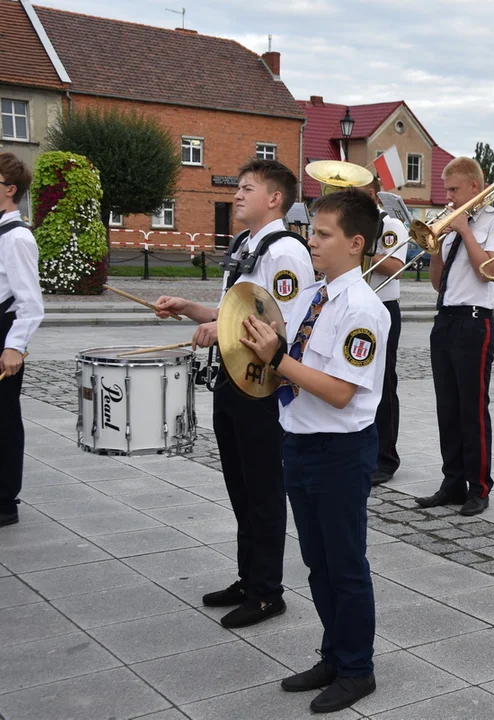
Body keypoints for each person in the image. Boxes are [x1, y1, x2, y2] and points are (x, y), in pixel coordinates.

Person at [240, 188, 387, 715]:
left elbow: (340, 390)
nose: (311, 241)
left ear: (355, 243)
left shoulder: (363, 308)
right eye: (311, 231)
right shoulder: (313, 296)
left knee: (345, 564)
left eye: (323, 234)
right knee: (317, 562)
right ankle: (334, 652)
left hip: (340, 451)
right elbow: (281, 342)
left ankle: (358, 669)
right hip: (300, 441)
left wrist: (277, 357)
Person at [155, 159, 314, 628]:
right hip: (232, 377)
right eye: (238, 187)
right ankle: (249, 578)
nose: (238, 194)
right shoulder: (247, 244)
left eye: (248, 188)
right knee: (240, 487)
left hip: (261, 386)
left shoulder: (286, 253)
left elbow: (281, 327)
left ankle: (267, 592)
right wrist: (189, 309)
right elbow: (230, 312)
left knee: (263, 490)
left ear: (275, 199)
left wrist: (218, 329)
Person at [414, 157, 494, 516]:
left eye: (454, 189)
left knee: (472, 408)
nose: (449, 197)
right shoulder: (455, 224)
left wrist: (465, 231)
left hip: (475, 321)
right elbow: (438, 283)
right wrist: (436, 244)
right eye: (447, 190)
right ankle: (452, 481)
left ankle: (479, 486)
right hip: (446, 320)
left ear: (474, 186)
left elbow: (488, 270)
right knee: (448, 407)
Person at [0, 153, 43, 528]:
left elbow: (29, 301)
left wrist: (14, 346)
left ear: (10, 189)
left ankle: (4, 502)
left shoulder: (16, 237)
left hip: (3, 334)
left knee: (4, 419)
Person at [359, 177, 408, 485]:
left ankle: (386, 458)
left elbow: (396, 266)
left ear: (371, 193)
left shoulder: (391, 225)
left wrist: (357, 250)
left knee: (384, 384)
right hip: (357, 308)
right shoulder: (354, 223)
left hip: (383, 308)